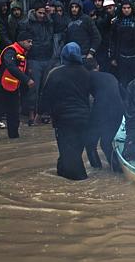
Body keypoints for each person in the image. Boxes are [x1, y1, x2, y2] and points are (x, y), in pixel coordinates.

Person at [40, 42, 91, 181]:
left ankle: (79, 184)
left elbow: (46, 95)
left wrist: (43, 113)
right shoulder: (86, 73)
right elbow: (91, 96)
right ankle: (62, 171)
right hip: (84, 119)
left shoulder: (55, 73)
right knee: (75, 152)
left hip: (63, 120)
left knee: (69, 153)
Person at [0, 31, 34, 141]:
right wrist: (27, 80)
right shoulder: (10, 51)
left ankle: (14, 138)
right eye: (29, 41)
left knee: (13, 115)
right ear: (21, 41)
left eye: (32, 41)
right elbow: (11, 67)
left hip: (12, 88)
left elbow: (23, 70)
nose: (31, 44)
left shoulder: (23, 53)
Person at [84, 58, 125, 170]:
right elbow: (124, 94)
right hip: (118, 111)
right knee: (106, 143)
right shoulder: (110, 76)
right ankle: (118, 170)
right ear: (98, 67)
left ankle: (97, 171)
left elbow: (83, 98)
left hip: (101, 110)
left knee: (90, 144)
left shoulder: (86, 77)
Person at [21, 0, 55, 126]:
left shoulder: (48, 22)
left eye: (43, 13)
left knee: (45, 88)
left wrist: (50, 14)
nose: (42, 15)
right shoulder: (27, 23)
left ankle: (43, 112)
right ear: (34, 12)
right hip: (34, 59)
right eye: (40, 13)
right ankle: (31, 113)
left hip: (47, 57)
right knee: (33, 88)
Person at [110, 0, 135, 86]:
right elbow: (113, 40)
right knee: (123, 82)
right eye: (124, 8)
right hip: (121, 57)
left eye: (128, 8)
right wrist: (113, 57)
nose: (126, 10)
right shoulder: (116, 22)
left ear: (132, 8)